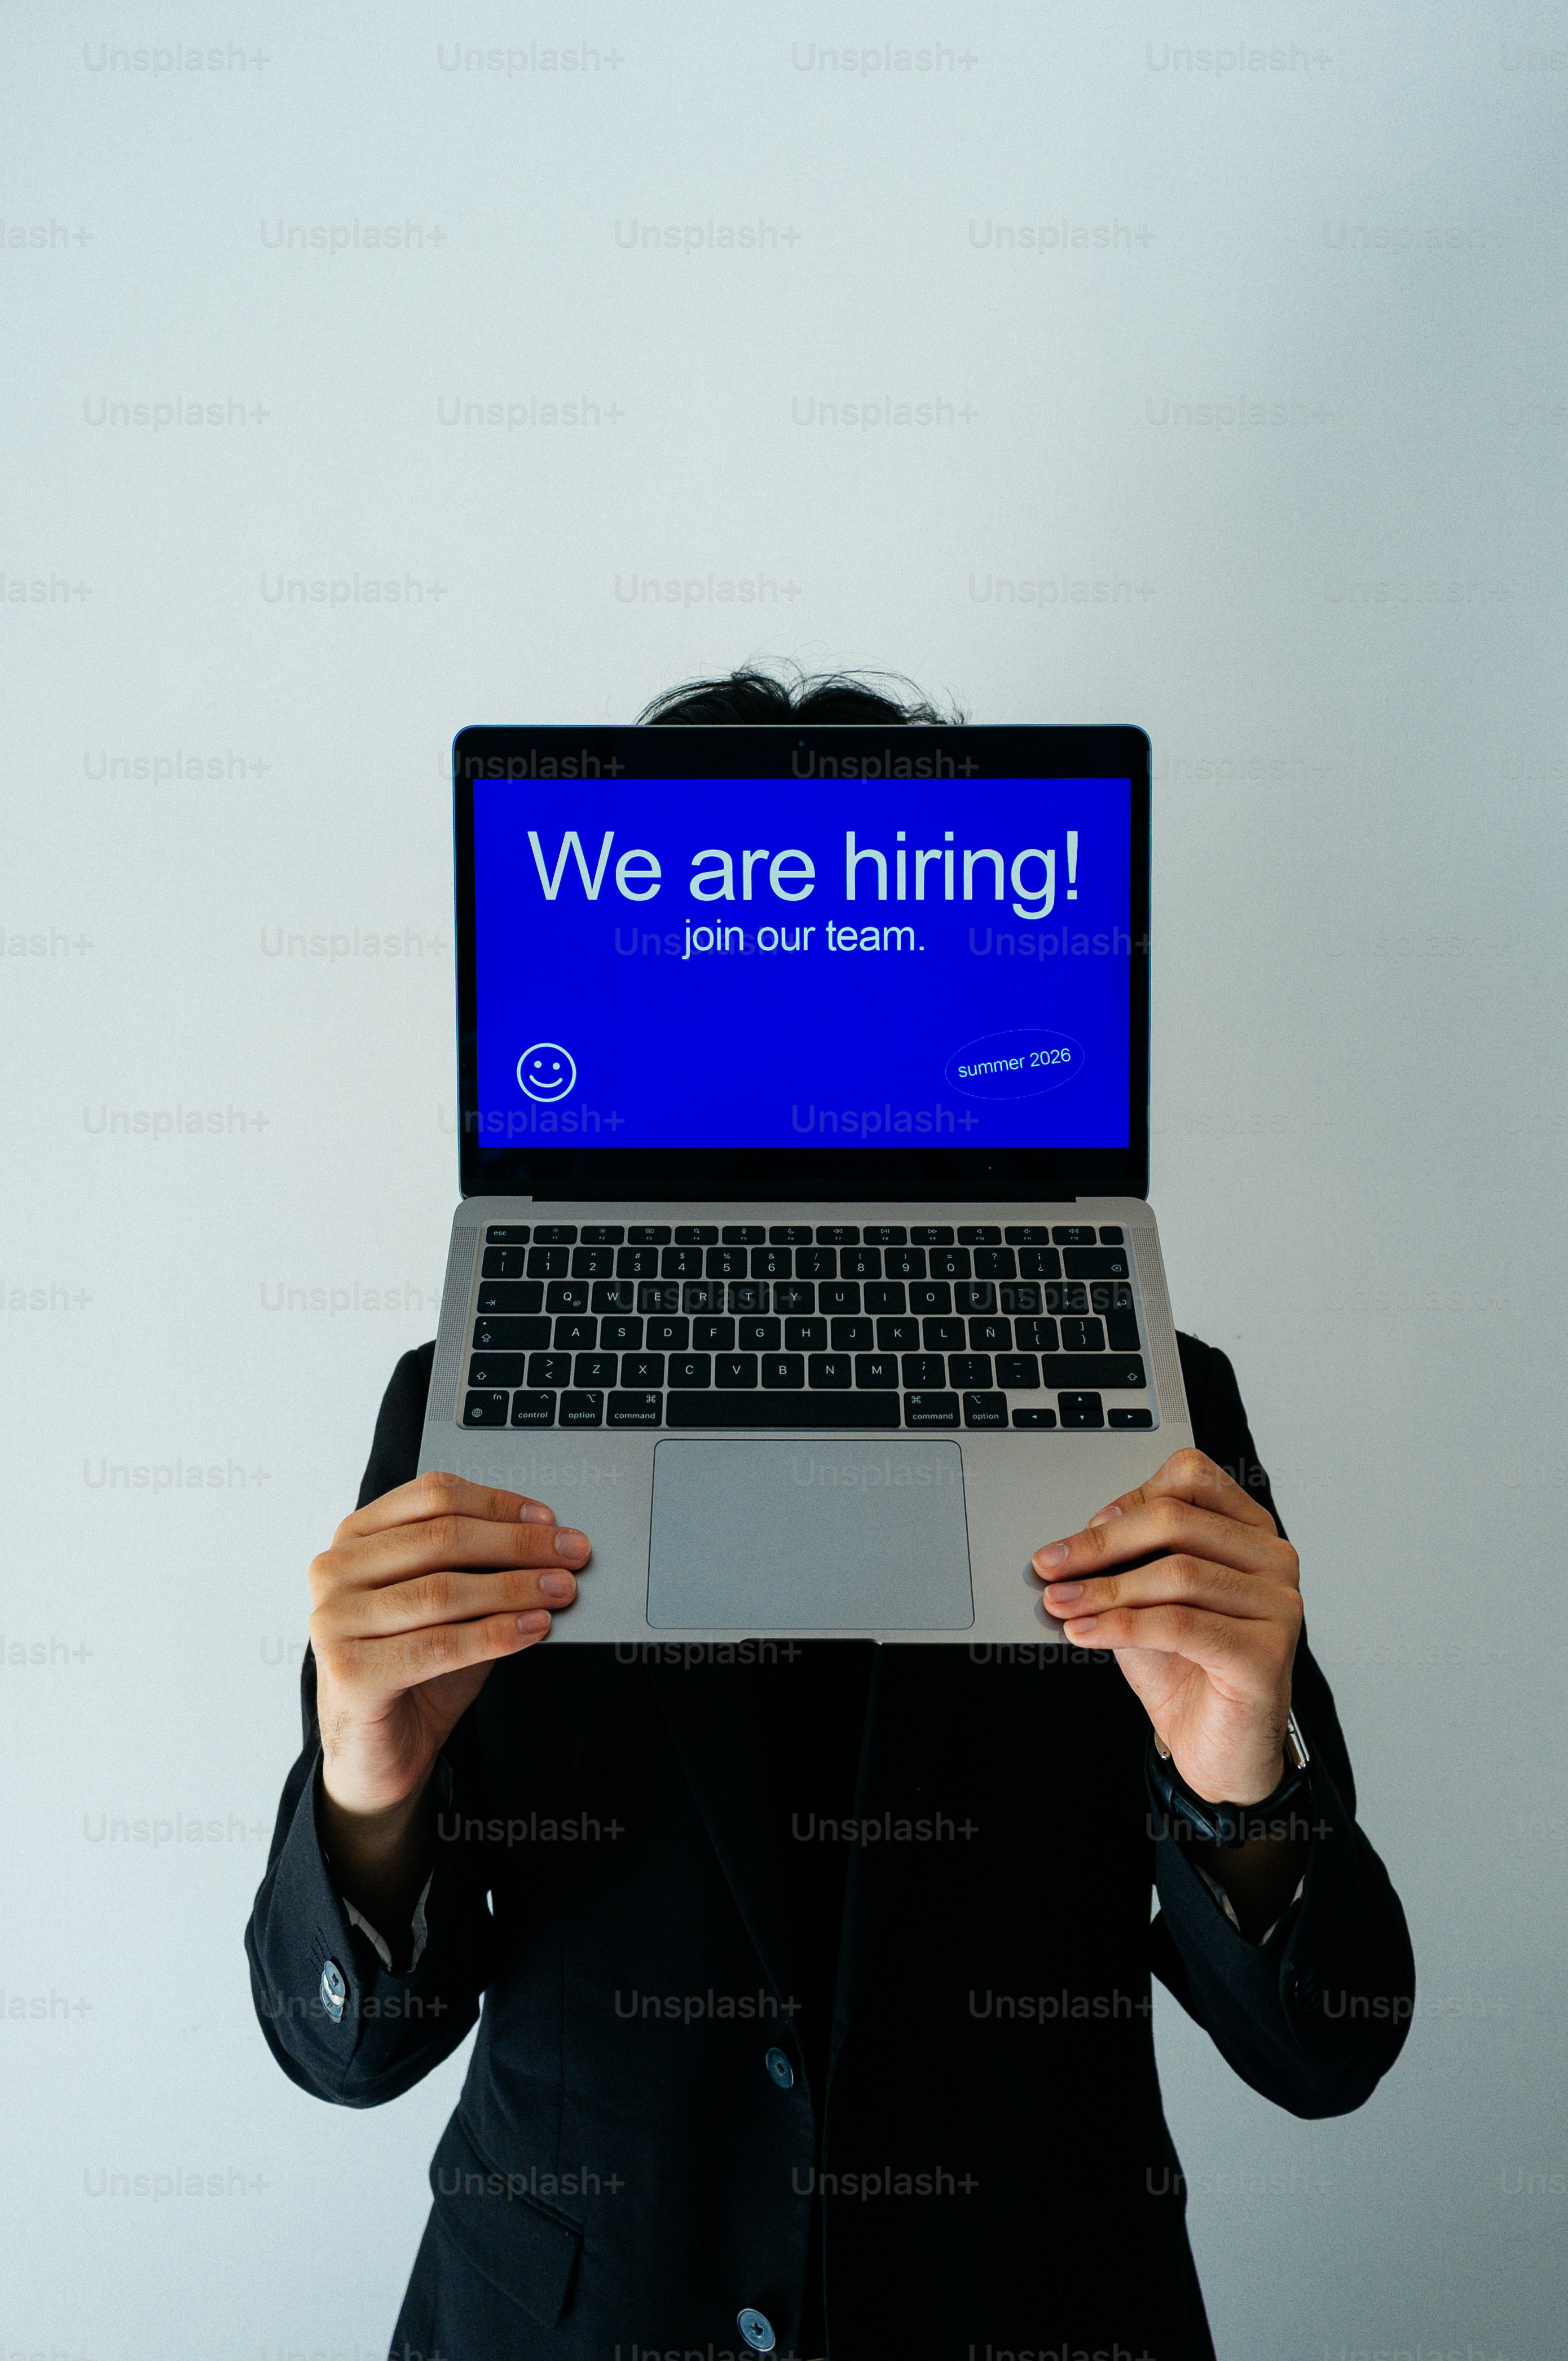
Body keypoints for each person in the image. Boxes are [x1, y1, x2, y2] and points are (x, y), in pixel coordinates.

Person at [246, 668, 1415, 2361]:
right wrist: (373, 1787)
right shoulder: (460, 1413)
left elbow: (1330, 2045)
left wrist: (1239, 1774)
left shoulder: (1168, 1416)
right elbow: (342, 2046)